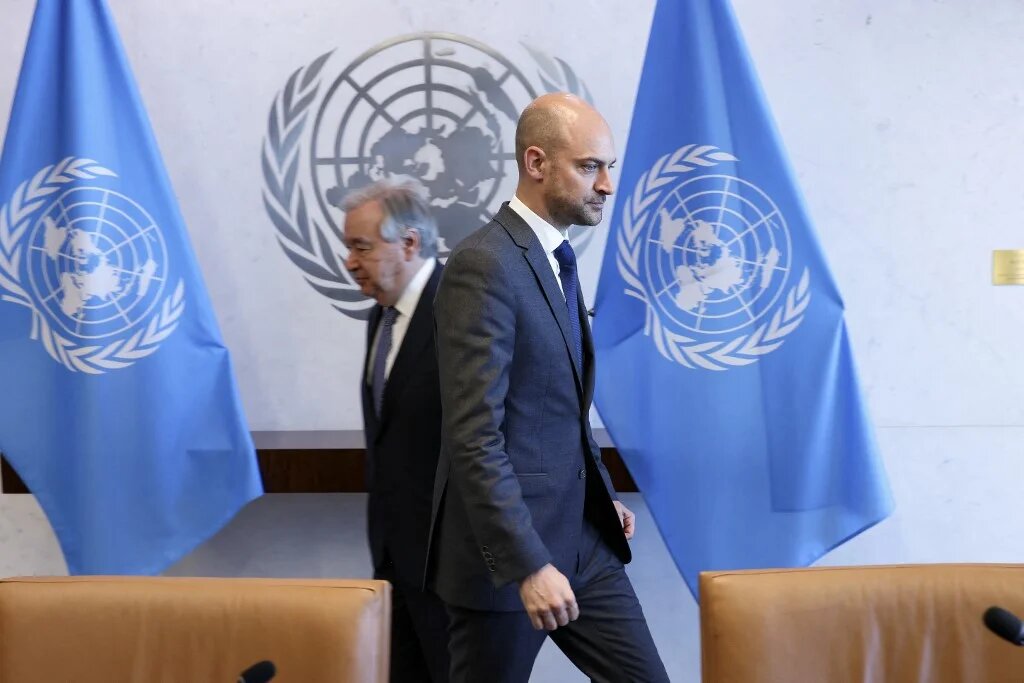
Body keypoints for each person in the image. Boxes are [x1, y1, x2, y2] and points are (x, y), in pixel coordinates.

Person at [426, 93, 668, 682]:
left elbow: (557, 409)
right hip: (508, 562)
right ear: (536, 163)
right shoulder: (483, 264)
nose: (606, 184)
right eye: (589, 166)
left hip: (584, 543)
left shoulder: (555, 255)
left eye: (607, 167)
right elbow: (474, 437)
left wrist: (597, 494)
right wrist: (528, 566)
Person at [341, 178, 449, 682]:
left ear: (409, 243)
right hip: (392, 560)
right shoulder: (379, 317)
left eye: (361, 247)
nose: (349, 262)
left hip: (451, 570)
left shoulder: (461, 310)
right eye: (348, 247)